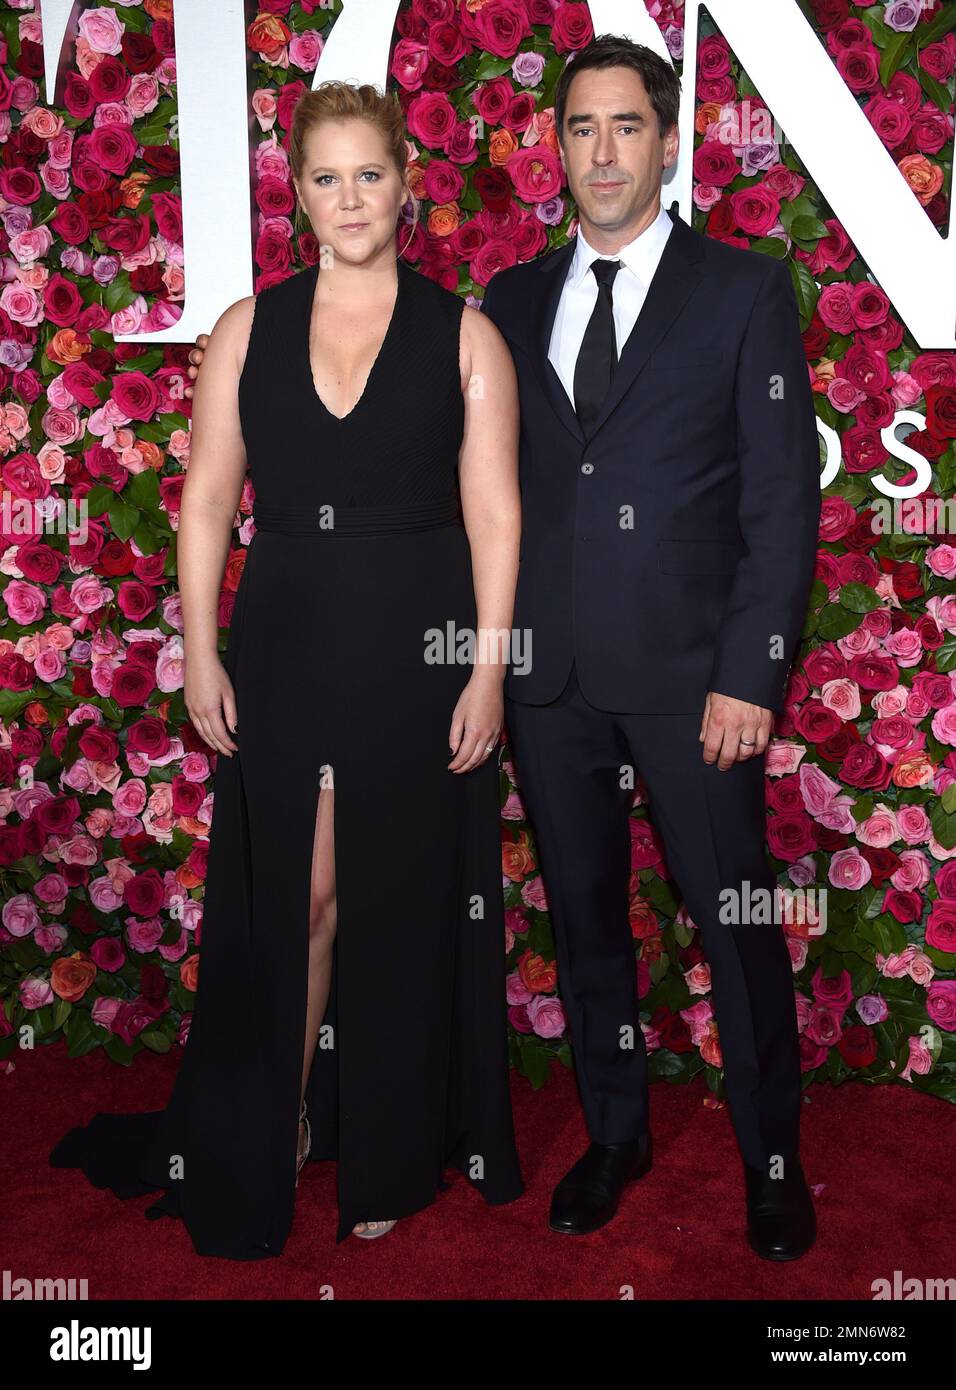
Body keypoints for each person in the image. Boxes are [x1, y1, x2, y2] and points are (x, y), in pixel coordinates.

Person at [49, 80, 524, 1257]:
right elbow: (206, 501)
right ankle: (288, 1114)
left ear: (405, 185)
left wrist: (486, 671)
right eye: (326, 178)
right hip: (287, 639)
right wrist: (199, 648)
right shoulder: (245, 328)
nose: (349, 198)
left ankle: (389, 1150)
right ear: (296, 193)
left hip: (420, 648)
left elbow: (497, 517)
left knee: (400, 905)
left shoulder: (463, 333)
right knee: (304, 900)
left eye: (369, 174)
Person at [479, 36, 821, 1260]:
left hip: (694, 687)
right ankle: (612, 1131)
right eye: (580, 128)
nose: (603, 150)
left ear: (667, 143)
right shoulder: (509, 302)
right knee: (586, 929)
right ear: (555, 148)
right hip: (549, 681)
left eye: (626, 126)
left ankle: (771, 1158)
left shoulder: (737, 292)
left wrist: (748, 673)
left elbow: (782, 505)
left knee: (733, 924)